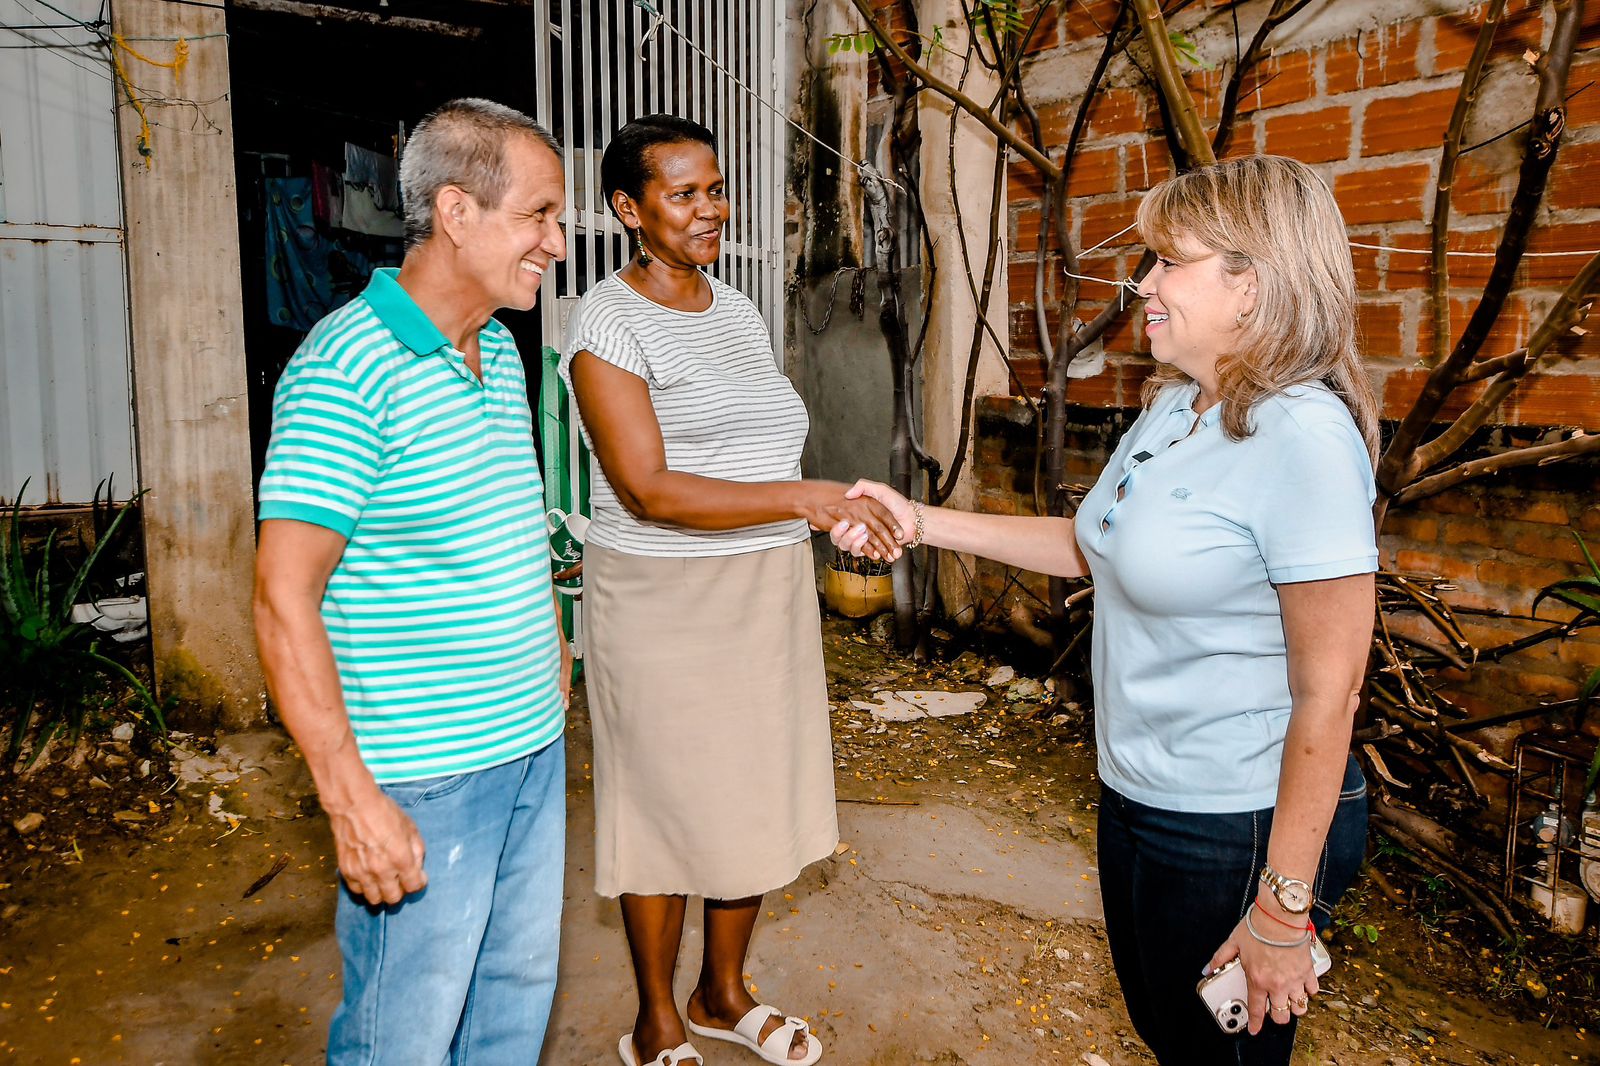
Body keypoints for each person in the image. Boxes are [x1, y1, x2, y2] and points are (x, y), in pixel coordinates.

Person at [835, 155, 1376, 1066]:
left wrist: (1282, 909)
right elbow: (1097, 546)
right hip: (1137, 790)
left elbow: (1333, 690)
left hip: (1236, 820)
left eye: (1172, 261)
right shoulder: (1177, 408)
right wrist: (918, 521)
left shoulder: (1303, 438)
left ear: (1253, 284)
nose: (1145, 283)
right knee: (1169, 1035)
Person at [561, 114, 901, 1066]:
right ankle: (656, 1019)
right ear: (629, 209)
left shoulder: (739, 309)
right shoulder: (605, 322)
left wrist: (810, 515)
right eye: (683, 193)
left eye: (714, 188)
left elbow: (753, 444)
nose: (709, 208)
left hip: (763, 584)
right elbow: (649, 487)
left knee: (749, 792)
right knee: (666, 800)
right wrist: (807, 498)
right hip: (662, 597)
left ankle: (722, 991)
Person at [253, 98, 572, 1064]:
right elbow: (282, 599)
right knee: (406, 1033)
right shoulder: (348, 367)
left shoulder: (505, 355)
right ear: (456, 212)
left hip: (534, 747)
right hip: (424, 773)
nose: (557, 243)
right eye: (540, 216)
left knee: (513, 1004)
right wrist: (350, 796)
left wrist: (549, 642)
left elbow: (504, 526)